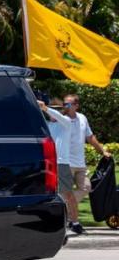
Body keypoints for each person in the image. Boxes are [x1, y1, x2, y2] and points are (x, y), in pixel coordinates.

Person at [63, 94, 111, 234]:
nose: (66, 106)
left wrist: (102, 151)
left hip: (80, 163)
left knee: (86, 187)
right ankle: (73, 221)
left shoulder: (82, 118)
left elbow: (90, 137)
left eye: (69, 104)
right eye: (65, 103)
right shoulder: (61, 119)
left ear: (76, 105)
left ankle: (66, 209)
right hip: (65, 162)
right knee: (66, 192)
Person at [39, 99, 81, 234]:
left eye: (57, 108)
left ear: (62, 110)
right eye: (52, 108)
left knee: (68, 194)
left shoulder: (66, 123)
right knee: (49, 194)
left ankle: (75, 222)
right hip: (49, 163)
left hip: (62, 163)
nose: (54, 111)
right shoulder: (46, 125)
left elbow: (56, 115)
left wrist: (45, 108)